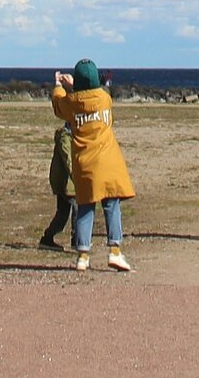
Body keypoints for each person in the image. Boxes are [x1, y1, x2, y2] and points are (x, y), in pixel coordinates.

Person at [51, 58, 136, 272]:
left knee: (85, 207)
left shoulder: (72, 104)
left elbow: (60, 106)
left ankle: (83, 255)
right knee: (112, 204)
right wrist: (73, 87)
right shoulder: (105, 99)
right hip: (108, 160)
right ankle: (115, 251)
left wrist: (60, 86)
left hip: (85, 163)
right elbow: (90, 95)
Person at [38, 122, 77, 251]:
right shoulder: (65, 138)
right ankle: (77, 240)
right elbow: (68, 160)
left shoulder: (70, 137)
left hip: (67, 183)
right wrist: (77, 177)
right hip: (65, 183)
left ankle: (47, 239)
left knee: (63, 213)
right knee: (78, 207)